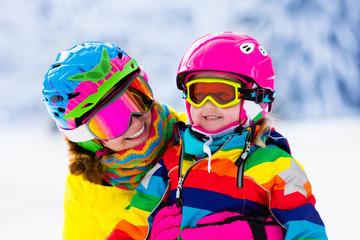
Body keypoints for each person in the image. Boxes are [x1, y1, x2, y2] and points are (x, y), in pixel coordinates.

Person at [107, 32, 328, 240]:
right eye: (199, 93)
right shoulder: (173, 161)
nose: (208, 105)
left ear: (255, 99)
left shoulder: (276, 168)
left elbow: (305, 230)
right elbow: (134, 221)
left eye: (223, 94)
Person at [42, 41, 185, 239]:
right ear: (88, 139)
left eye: (137, 96)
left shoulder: (197, 139)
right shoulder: (88, 186)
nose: (135, 121)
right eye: (112, 120)